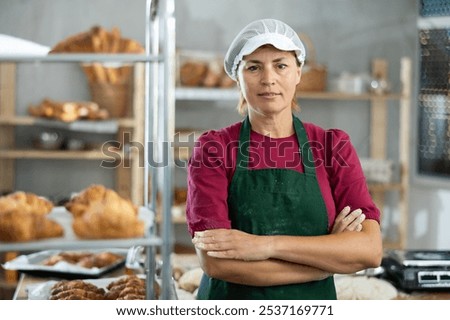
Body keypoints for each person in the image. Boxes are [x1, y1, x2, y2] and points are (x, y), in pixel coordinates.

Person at [186, 18, 382, 300]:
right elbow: (216, 262)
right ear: (237, 77)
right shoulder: (214, 149)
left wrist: (265, 246)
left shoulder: (332, 146)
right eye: (253, 67)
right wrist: (325, 262)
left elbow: (370, 250)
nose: (268, 79)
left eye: (280, 65)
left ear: (298, 73)